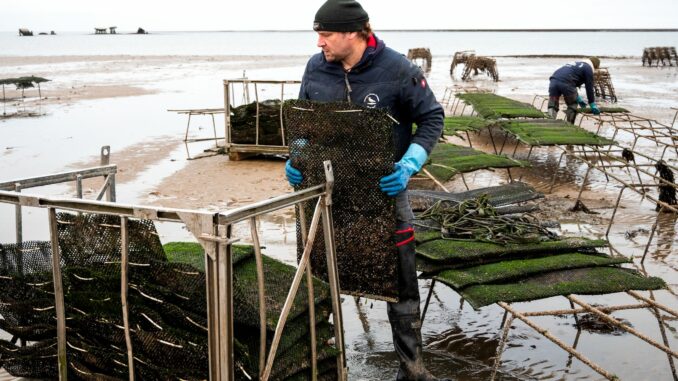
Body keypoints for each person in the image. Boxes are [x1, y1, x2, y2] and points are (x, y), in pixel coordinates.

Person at [285, 1, 447, 379]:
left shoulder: (398, 70)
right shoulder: (315, 67)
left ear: (354, 33)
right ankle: (321, 364)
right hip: (327, 195)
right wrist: (296, 157)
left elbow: (431, 117)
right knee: (319, 275)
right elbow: (304, 123)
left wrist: (409, 164)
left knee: (400, 282)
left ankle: (412, 369)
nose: (319, 42)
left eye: (325, 34)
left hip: (384, 193)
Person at [547, 57, 601, 123]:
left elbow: (572, 81)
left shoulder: (577, 64)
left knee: (553, 104)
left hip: (554, 81)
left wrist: (578, 97)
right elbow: (589, 87)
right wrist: (592, 103)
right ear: (595, 66)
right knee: (572, 105)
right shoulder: (588, 68)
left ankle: (550, 122)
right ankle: (569, 125)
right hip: (567, 83)